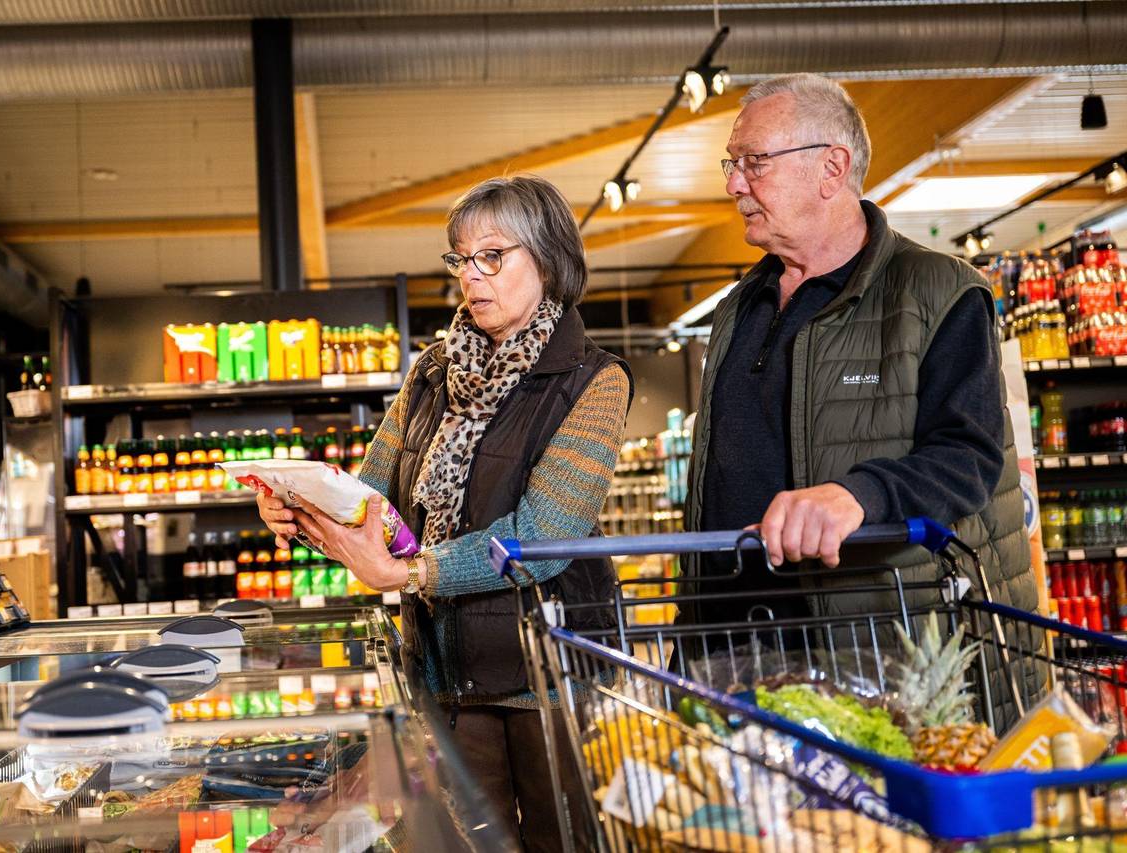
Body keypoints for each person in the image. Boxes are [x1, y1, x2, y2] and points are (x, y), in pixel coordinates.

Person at [257, 175, 632, 852]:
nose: (471, 274)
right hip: (445, 673)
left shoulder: (595, 379)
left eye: (492, 255)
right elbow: (368, 501)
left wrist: (411, 573)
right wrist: (296, 508)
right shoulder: (431, 373)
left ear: (548, 260)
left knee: (567, 841)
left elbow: (544, 535)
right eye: (461, 258)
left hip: (551, 678)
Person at [682, 73, 1036, 623]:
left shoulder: (940, 291)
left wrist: (859, 496)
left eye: (755, 162)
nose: (734, 184)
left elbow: (969, 458)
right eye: (733, 164)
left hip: (876, 636)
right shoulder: (739, 307)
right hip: (732, 637)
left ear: (832, 167)